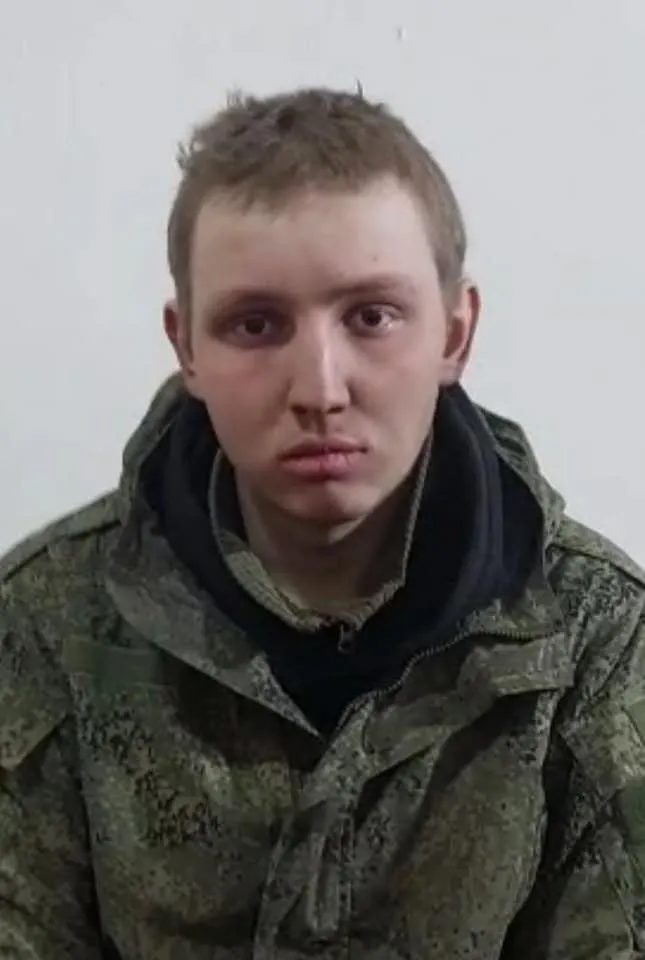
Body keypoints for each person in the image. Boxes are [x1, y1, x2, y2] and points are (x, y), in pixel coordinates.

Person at [1, 86, 644, 960]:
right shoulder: (47, 619)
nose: (320, 389)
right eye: (255, 324)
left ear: (454, 334)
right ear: (185, 346)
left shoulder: (597, 639)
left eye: (371, 316)